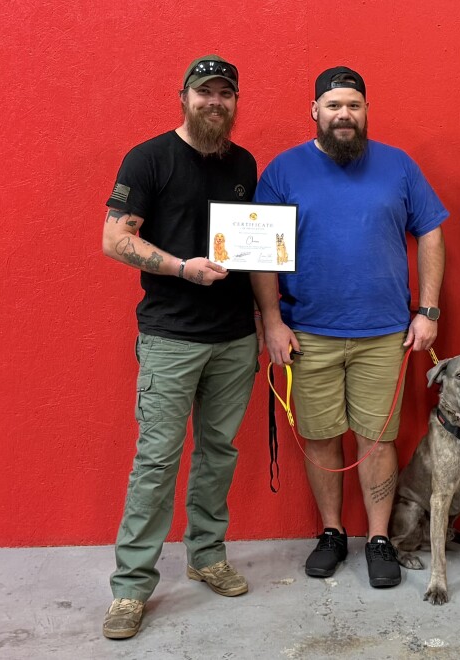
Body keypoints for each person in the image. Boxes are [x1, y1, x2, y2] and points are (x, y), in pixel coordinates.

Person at [253, 66, 447, 589]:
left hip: (384, 334)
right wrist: (271, 322)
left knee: (377, 439)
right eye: (334, 105)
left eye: (354, 105)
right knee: (319, 437)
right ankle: (333, 533)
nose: (344, 114)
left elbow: (430, 232)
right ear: (314, 111)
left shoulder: (398, 165)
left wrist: (428, 311)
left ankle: (378, 538)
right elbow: (261, 253)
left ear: (366, 111)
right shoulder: (283, 170)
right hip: (307, 331)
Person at [100, 54, 262, 639]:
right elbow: (115, 239)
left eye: (226, 93)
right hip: (170, 337)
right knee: (158, 460)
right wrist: (179, 268)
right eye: (205, 92)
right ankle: (131, 587)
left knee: (218, 452)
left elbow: (254, 248)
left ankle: (206, 554)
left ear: (236, 101)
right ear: (184, 96)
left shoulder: (243, 162)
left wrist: (267, 314)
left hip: (235, 337)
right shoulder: (148, 158)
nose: (215, 102)